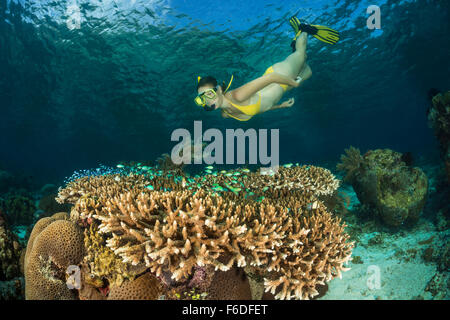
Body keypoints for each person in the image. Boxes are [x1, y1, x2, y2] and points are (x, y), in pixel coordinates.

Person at [194, 16, 340, 121]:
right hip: (283, 88)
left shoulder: (236, 96)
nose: (207, 101)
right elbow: (258, 109)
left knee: (301, 55)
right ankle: (295, 44)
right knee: (308, 70)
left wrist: (294, 83)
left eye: (209, 94)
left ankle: (304, 29)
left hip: (280, 75)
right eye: (202, 99)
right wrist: (280, 106)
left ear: (219, 90)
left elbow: (270, 78)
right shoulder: (225, 113)